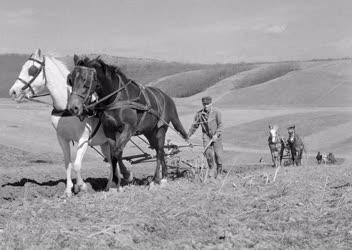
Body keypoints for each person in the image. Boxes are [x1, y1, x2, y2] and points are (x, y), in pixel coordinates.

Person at [188, 96, 223, 178]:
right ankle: (211, 168)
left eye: (207, 104)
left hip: (216, 136)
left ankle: (219, 172)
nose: (206, 106)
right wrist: (188, 135)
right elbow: (194, 126)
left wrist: (217, 134)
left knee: (218, 154)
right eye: (204, 104)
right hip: (206, 136)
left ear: (211, 103)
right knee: (208, 153)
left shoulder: (217, 112)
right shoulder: (199, 114)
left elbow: (221, 125)